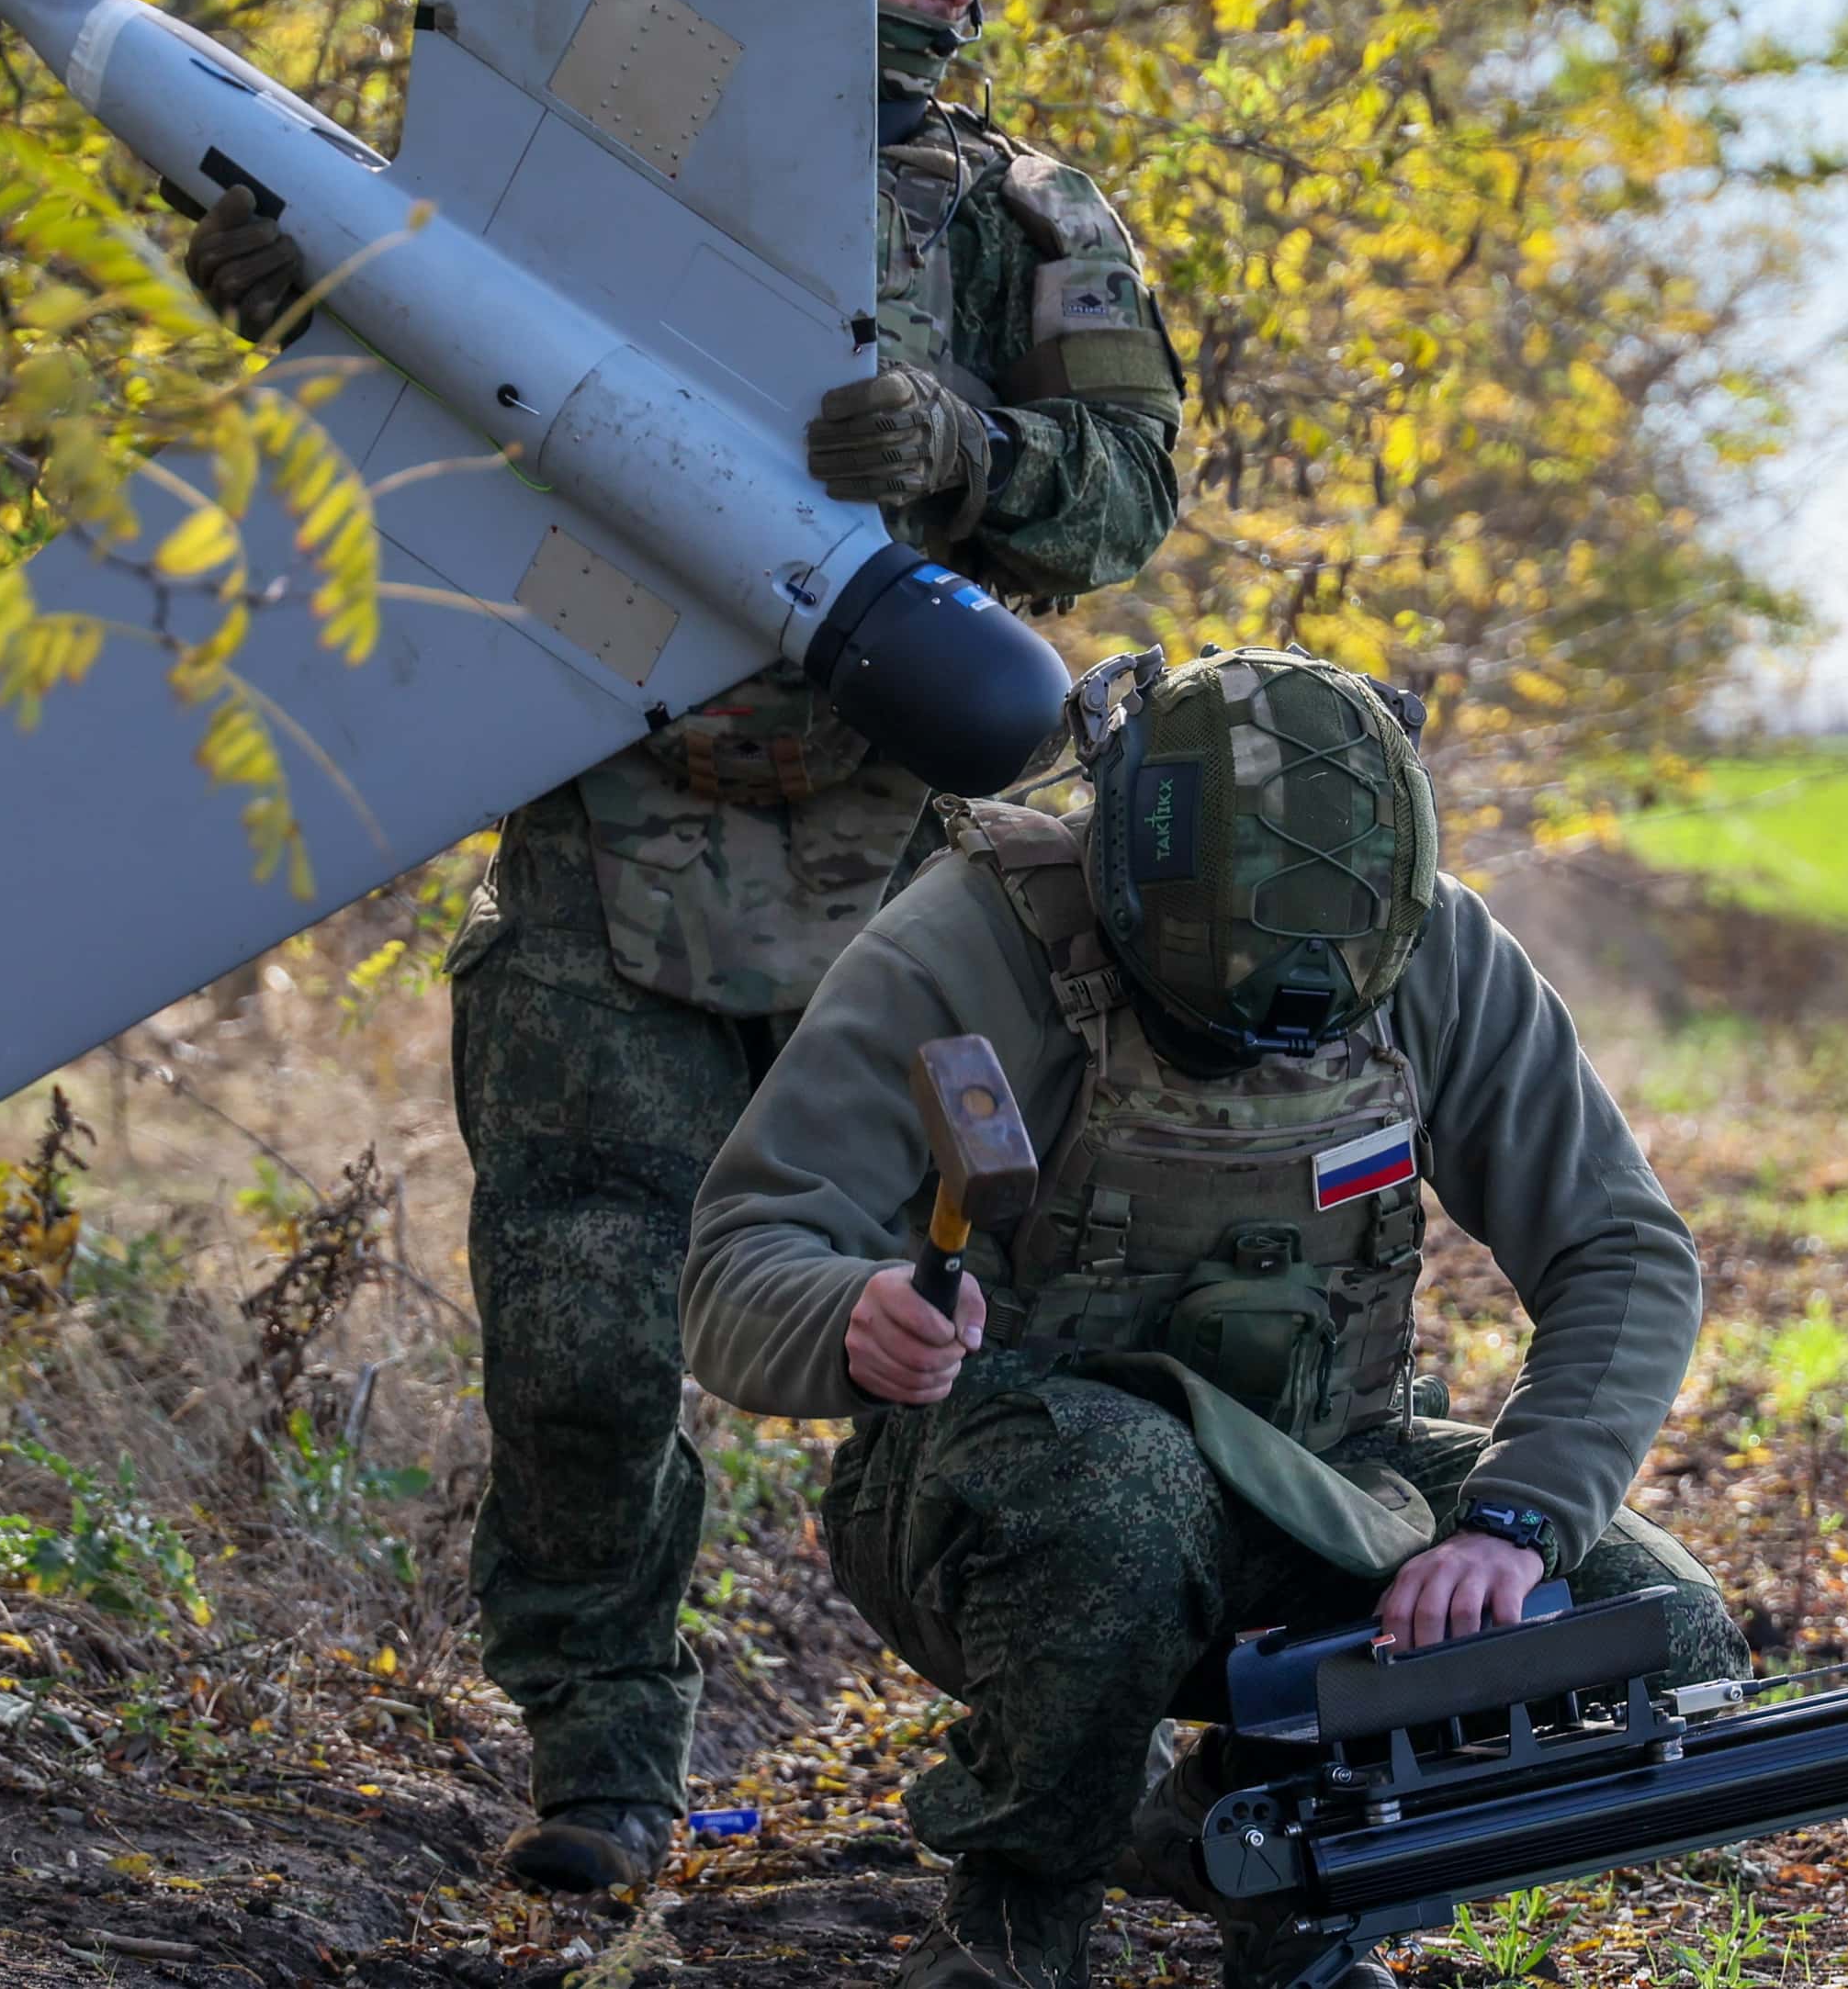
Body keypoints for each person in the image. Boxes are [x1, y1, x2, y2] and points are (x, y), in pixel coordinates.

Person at [178, 0, 1186, 1893]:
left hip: (905, 899)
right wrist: (304, 301)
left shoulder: (1021, 220)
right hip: (607, 864)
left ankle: (1059, 1765)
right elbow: (434, 394)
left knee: (1031, 1339)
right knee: (575, 1341)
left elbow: (1124, 494)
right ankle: (608, 1770)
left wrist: (965, 446)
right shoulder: (587, 158)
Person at [679, 647, 1752, 1989]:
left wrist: (1515, 1522)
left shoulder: (1432, 945)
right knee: (1120, 1489)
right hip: (994, 1501)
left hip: (1322, 1475)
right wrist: (852, 1311)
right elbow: (739, 1254)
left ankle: (1284, 1849)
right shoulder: (968, 946)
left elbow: (1623, 1248)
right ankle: (1022, 1907)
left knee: (1653, 1630)